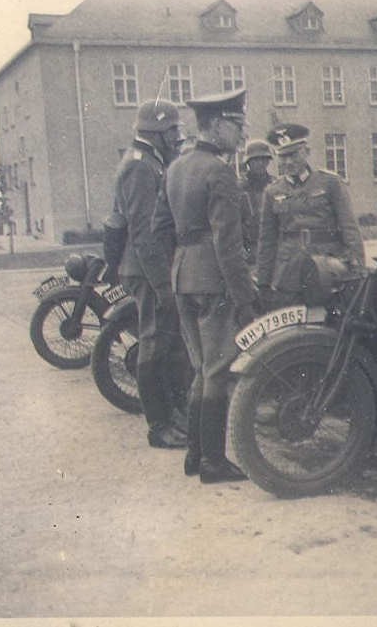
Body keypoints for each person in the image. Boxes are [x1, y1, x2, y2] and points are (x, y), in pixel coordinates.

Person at [151, 88, 258, 483]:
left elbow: (159, 229)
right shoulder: (219, 172)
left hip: (183, 276)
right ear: (214, 126)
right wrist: (244, 296)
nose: (242, 134)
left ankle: (196, 454)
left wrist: (179, 265)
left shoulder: (176, 167)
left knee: (201, 368)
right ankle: (213, 461)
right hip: (213, 278)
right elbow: (227, 242)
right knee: (217, 369)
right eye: (237, 125)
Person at [103, 99, 189, 449]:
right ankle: (159, 426)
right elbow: (144, 233)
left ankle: (171, 416)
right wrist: (162, 283)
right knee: (154, 345)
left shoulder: (149, 161)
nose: (177, 137)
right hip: (146, 268)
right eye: (173, 131)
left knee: (166, 343)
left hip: (148, 266)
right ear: (159, 132)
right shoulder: (140, 167)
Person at [256, 123, 365, 309]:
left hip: (327, 266)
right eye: (283, 156)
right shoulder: (273, 191)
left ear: (306, 152)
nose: (288, 162)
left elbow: (349, 228)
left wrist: (357, 268)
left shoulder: (330, 183)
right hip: (288, 270)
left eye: (293, 155)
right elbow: (267, 239)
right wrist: (263, 281)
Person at [237, 139, 274, 267]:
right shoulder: (239, 188)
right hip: (250, 248)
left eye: (264, 159)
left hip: (273, 247)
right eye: (256, 160)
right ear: (248, 162)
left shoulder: (275, 186)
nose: (261, 163)